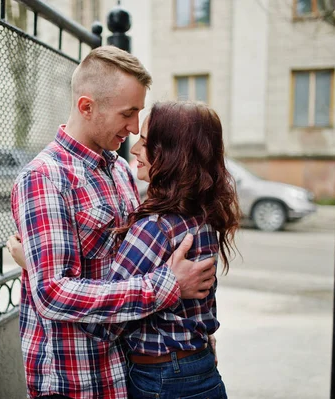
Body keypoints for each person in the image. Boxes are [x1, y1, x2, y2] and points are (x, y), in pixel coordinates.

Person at [10, 46, 216, 399]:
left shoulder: (120, 169)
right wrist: (167, 286)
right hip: (76, 379)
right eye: (128, 113)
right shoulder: (45, 178)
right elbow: (52, 294)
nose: (135, 127)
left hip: (130, 372)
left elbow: (137, 261)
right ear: (87, 107)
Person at [79, 101, 239, 399]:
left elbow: (101, 324)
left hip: (163, 379)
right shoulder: (201, 216)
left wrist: (33, 266)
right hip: (199, 367)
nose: (135, 149)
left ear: (173, 154)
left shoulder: (155, 227)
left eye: (146, 142)